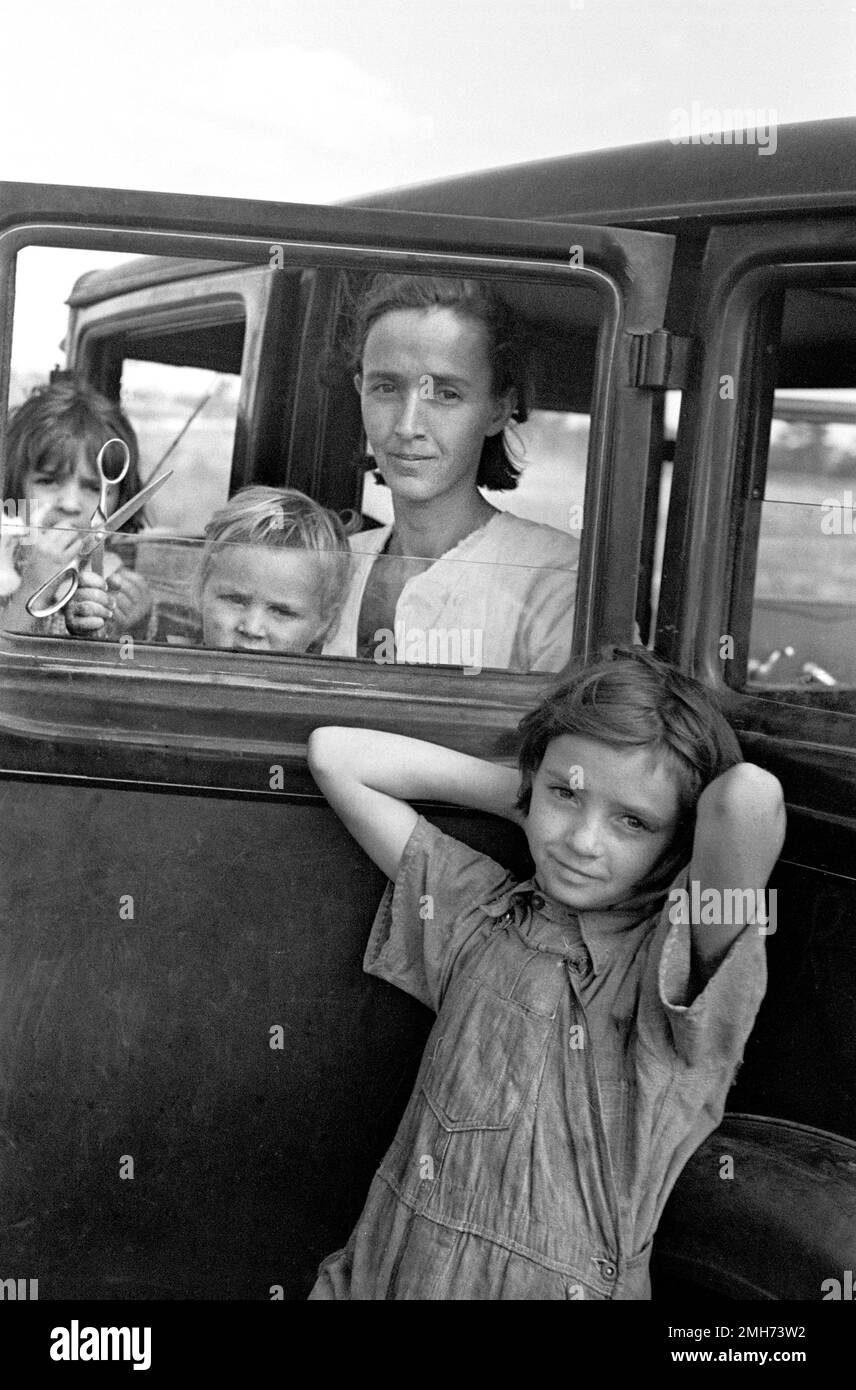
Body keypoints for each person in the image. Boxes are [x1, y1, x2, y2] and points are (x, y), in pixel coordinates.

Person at [305, 646, 786, 1299]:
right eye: (567, 795)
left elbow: (749, 800)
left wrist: (570, 794)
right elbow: (336, 756)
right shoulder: (481, 914)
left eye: (632, 822)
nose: (584, 842)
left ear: (677, 838)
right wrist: (530, 795)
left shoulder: (672, 969)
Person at [322, 274, 579, 674]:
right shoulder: (332, 565)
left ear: (498, 409)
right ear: (360, 390)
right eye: (386, 388)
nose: (408, 427)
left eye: (446, 394)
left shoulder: (556, 580)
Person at [66, 486, 352, 654]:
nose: (251, 629)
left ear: (325, 623)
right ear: (201, 589)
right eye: (235, 600)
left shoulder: (326, 703)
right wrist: (89, 635)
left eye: (282, 611)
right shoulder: (168, 662)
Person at [0, 376, 152, 636]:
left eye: (94, 488)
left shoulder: (119, 588)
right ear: (14, 487)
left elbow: (127, 664)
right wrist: (36, 585)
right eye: (48, 481)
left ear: (120, 502)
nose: (70, 504)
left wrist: (135, 629)